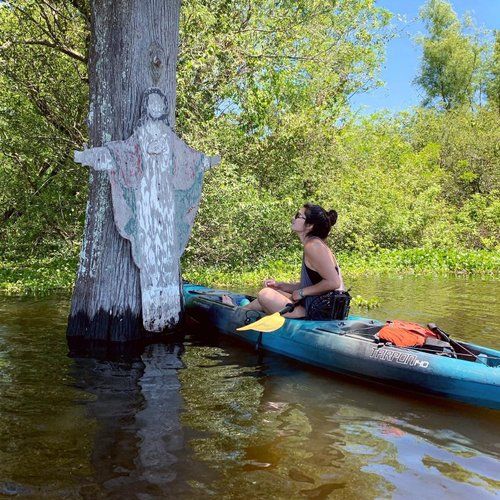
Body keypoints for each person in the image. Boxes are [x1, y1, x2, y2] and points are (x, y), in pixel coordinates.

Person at [222, 203, 344, 318]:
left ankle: (232, 312)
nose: (293, 218)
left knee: (265, 294)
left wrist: (302, 292)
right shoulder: (315, 244)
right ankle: (236, 312)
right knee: (268, 294)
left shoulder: (313, 246)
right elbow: (313, 285)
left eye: (298, 216)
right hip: (315, 307)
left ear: (310, 225)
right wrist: (281, 286)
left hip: (319, 312)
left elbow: (333, 282)